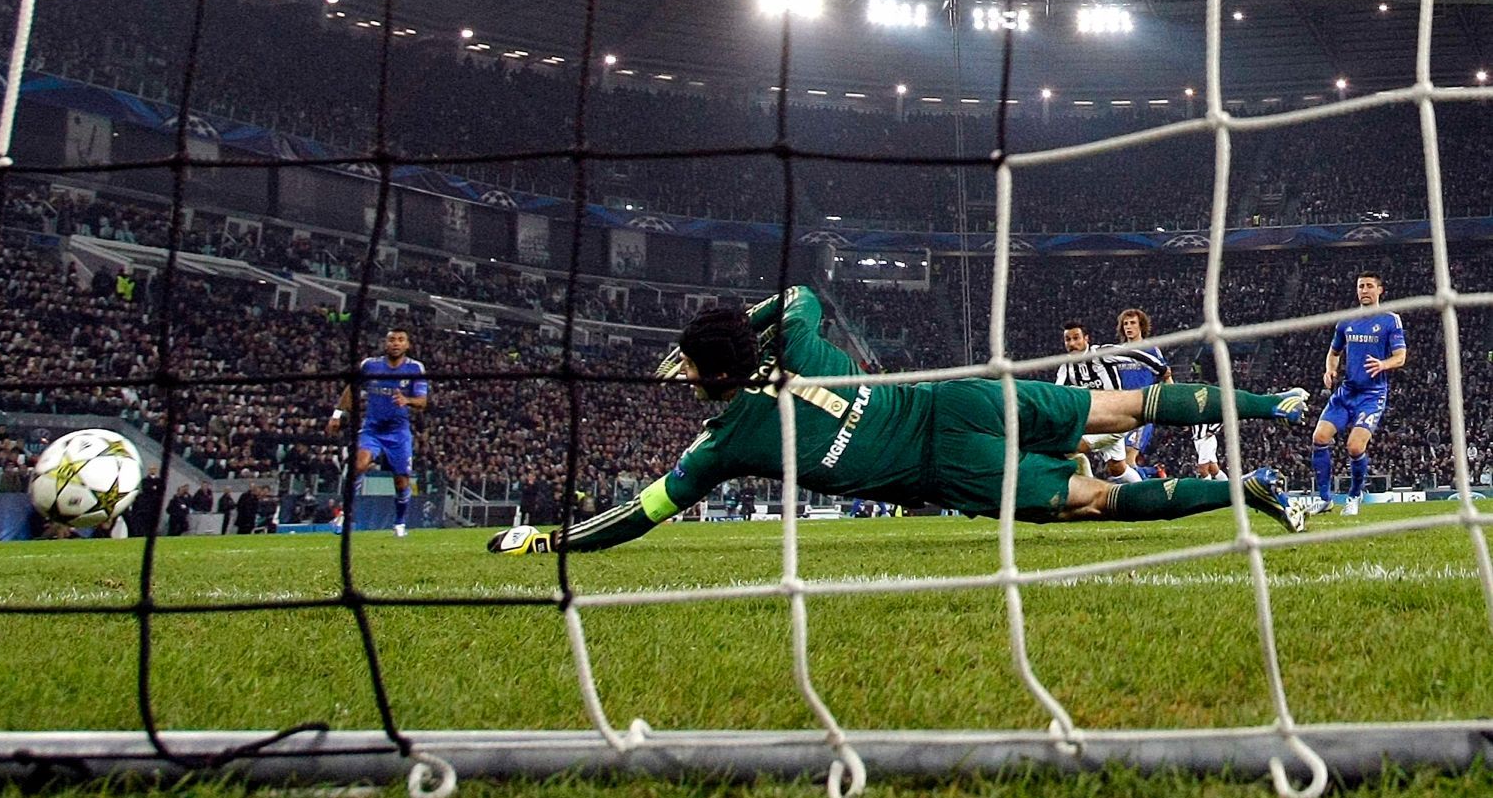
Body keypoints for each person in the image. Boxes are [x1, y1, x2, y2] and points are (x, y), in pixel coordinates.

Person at [490, 286, 1310, 555]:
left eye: (695, 366)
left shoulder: (723, 442)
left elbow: (644, 511)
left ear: (716, 373)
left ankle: (1245, 489)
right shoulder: (797, 335)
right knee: (1120, 406)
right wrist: (749, 324)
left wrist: (552, 543)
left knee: (1095, 500)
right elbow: (801, 294)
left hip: (945, 469)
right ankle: (1270, 404)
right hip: (955, 395)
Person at [1307, 272, 1407, 517]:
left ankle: (1354, 496)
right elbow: (1334, 352)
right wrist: (1330, 370)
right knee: (1319, 438)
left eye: (1369, 286)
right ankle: (1324, 499)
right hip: (1346, 392)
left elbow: (1400, 357)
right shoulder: (1346, 321)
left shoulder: (1390, 320)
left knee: (1354, 446)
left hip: (1372, 394)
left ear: (1380, 290)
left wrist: (1383, 364)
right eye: (1361, 286)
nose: (1364, 290)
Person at [326, 327, 428, 537]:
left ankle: (399, 523)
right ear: (385, 343)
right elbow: (351, 389)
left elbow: (422, 402)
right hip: (372, 430)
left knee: (401, 482)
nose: (396, 343)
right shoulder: (370, 365)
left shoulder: (415, 368)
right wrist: (337, 414)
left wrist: (407, 400)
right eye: (392, 339)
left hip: (398, 433)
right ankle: (345, 514)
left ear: (407, 345)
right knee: (358, 465)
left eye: (400, 340)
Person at [1055, 320, 1167, 482]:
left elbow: (1132, 354)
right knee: (1118, 468)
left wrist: (1161, 369)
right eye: (1068, 339)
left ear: (1086, 338)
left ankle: (1089, 491)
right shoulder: (1066, 367)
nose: (1072, 344)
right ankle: (1145, 492)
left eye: (1076, 338)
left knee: (1070, 447)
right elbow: (1057, 394)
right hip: (1094, 422)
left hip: (1116, 419)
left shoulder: (1101, 354)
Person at [1113, 308, 1173, 479]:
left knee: (1129, 458)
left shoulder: (1150, 350)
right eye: (1125, 324)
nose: (1128, 327)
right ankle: (1154, 474)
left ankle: (1147, 491)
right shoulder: (1117, 352)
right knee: (1118, 464)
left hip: (1142, 410)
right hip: (1120, 411)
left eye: (1132, 323)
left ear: (1141, 326)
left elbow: (1166, 375)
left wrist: (1175, 403)